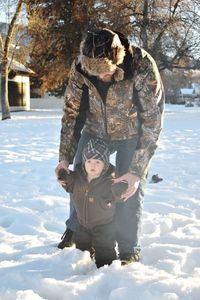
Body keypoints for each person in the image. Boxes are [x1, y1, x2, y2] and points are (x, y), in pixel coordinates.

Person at [55, 28, 165, 265]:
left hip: (131, 133)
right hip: (95, 131)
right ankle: (76, 230)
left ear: (117, 58)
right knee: (79, 177)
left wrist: (136, 171)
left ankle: (128, 248)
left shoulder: (141, 66)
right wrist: (64, 157)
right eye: (95, 73)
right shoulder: (80, 67)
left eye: (105, 71)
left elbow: (153, 120)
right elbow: (72, 113)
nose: (101, 77)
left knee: (128, 189)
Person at [57, 138, 127, 268]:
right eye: (88, 161)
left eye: (97, 162)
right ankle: (83, 268)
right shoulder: (77, 177)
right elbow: (68, 184)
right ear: (84, 162)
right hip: (82, 224)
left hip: (104, 226)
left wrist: (120, 189)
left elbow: (118, 194)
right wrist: (63, 176)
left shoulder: (109, 181)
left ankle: (105, 268)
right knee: (82, 251)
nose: (92, 165)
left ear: (105, 164)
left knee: (105, 252)